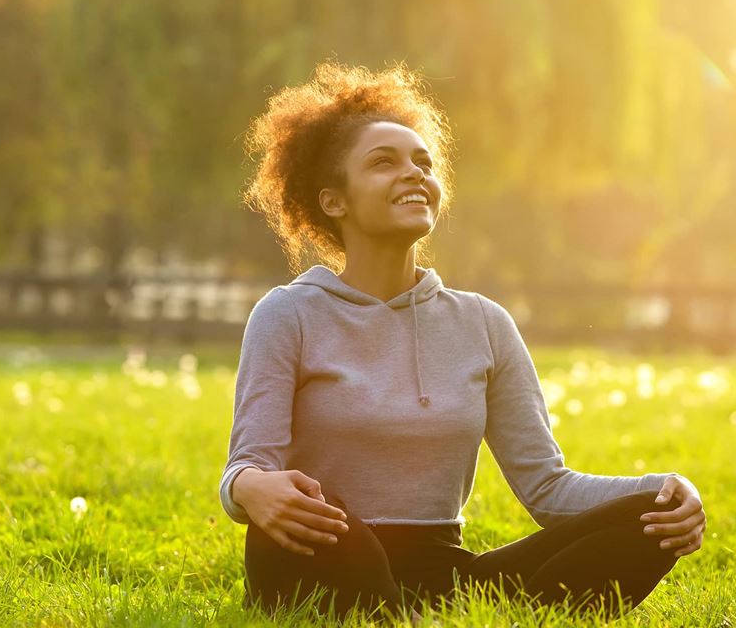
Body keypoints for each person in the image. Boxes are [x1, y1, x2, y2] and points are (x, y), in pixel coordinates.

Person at [221, 61, 707, 624]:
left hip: (442, 573)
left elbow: (547, 487)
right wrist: (250, 489)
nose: (413, 173)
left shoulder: (483, 322)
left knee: (652, 517)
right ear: (335, 201)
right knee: (330, 524)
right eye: (384, 163)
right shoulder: (288, 314)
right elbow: (248, 466)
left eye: (422, 163)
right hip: (322, 550)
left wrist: (669, 489)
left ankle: (403, 615)